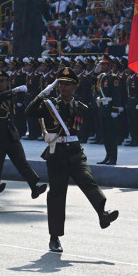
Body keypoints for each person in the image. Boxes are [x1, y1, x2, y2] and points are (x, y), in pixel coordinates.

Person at [25, 67, 119, 252]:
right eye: (60, 83)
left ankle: (102, 214)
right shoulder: (49, 104)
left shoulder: (80, 107)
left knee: (88, 181)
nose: (63, 87)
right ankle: (54, 237)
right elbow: (29, 112)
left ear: (75, 86)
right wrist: (44, 93)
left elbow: (91, 125)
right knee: (57, 195)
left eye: (67, 84)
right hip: (57, 153)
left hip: (75, 152)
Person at [0, 69, 47, 208]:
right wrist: (15, 90)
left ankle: (34, 186)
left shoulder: (10, 96)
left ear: (7, 82)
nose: (0, 84)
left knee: (22, 162)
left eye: (2, 81)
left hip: (11, 133)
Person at [95, 55, 123, 164]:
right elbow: (97, 89)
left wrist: (115, 110)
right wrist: (99, 98)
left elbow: (117, 95)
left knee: (112, 135)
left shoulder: (113, 77)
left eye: (103, 64)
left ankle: (113, 158)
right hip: (103, 109)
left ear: (109, 65)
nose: (101, 65)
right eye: (101, 63)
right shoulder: (102, 77)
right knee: (105, 135)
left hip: (110, 109)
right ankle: (107, 156)